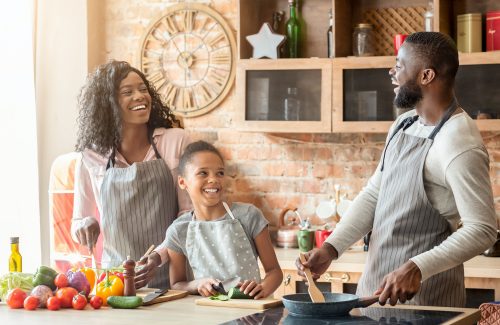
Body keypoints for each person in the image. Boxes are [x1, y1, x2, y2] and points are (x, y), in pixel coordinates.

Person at [297, 32, 497, 307]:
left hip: (427, 301)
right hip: (374, 293)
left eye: (400, 65)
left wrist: (417, 267)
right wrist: (331, 248)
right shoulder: (404, 125)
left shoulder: (458, 141)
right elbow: (374, 195)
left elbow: (482, 229)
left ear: (426, 76)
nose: (392, 72)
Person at [71, 60, 192, 289]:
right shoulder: (91, 156)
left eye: (143, 89)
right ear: (108, 104)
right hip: (115, 281)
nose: (139, 96)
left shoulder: (175, 142)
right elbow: (78, 221)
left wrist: (159, 256)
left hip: (174, 279)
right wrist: (85, 224)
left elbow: (189, 215)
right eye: (127, 92)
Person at [161, 140, 283, 298]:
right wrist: (197, 284)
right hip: (206, 314)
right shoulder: (178, 230)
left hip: (251, 311)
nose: (213, 179)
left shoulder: (249, 215)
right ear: (183, 182)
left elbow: (274, 272)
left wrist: (263, 288)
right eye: (203, 173)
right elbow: (177, 284)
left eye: (220, 173)